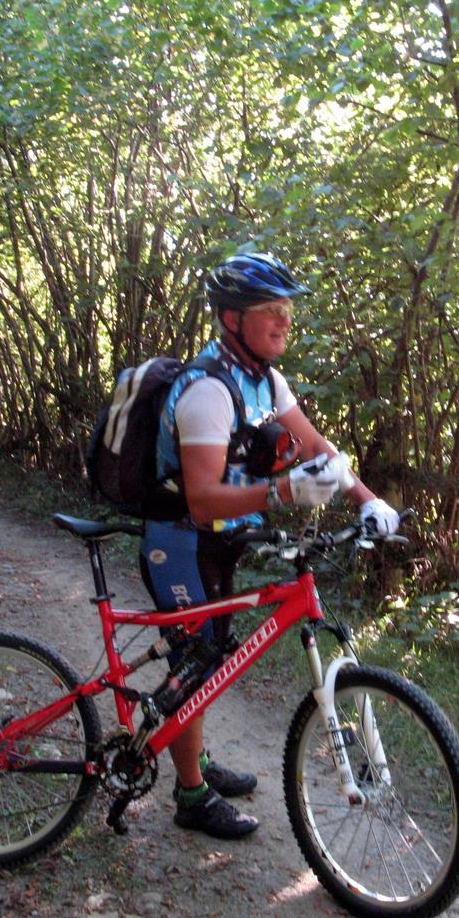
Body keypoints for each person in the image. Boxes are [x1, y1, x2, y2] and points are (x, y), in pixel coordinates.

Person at [139, 252, 401, 840]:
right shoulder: (209, 391)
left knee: (208, 655)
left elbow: (317, 447)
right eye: (270, 309)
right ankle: (190, 795)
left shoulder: (264, 379)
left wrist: (367, 500)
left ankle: (195, 758)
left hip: (220, 540)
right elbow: (202, 500)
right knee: (195, 660)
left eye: (287, 308)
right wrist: (282, 491)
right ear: (232, 319)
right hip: (179, 538)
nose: (285, 319)